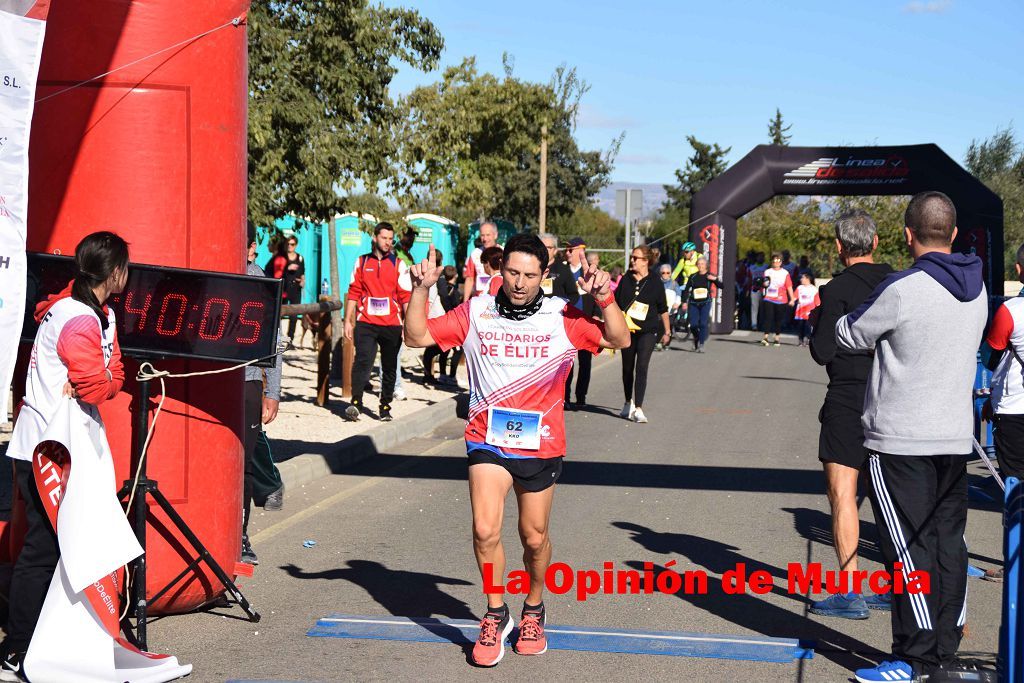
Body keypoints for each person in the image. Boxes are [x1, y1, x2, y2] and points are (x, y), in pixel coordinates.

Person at [404, 235, 629, 667]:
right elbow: (415, 337)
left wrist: (605, 298)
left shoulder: (561, 315)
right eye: (512, 273)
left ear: (544, 275)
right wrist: (421, 289)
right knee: (485, 530)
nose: (520, 283)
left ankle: (534, 607)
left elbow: (618, 340)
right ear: (499, 269)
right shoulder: (476, 312)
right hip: (486, 437)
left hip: (540, 444)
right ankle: (494, 611)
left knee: (534, 538)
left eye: (529, 275)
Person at [836, 192, 987, 683]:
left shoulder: (902, 288)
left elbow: (851, 333)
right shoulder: (979, 288)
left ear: (907, 234)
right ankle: (944, 654)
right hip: (953, 438)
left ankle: (912, 658)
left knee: (907, 551)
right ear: (955, 233)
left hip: (900, 440)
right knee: (949, 547)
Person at [2, 231, 130, 679]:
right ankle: (16, 649)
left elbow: (109, 374)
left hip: (60, 446)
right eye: (126, 268)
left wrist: (105, 379)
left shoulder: (96, 313)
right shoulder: (77, 317)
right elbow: (101, 384)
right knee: (42, 549)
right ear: (114, 273)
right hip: (47, 450)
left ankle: (46, 640)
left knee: (63, 547)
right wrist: (107, 381)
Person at [808, 209, 894, 622]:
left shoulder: (835, 289)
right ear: (876, 243)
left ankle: (849, 591)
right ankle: (901, 587)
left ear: (839, 247)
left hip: (847, 395)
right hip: (895, 396)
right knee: (895, 495)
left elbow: (822, 351)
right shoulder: (899, 281)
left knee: (844, 494)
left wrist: (816, 323)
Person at [244, 224, 284, 564]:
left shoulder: (257, 278)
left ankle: (240, 535)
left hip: (248, 381)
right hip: (210, 380)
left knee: (243, 460)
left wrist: (272, 390)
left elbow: (273, 340)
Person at [343, 221, 409, 422]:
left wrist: (407, 325)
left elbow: (405, 296)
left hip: (392, 324)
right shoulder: (362, 262)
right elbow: (354, 292)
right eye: (384, 238)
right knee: (363, 361)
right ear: (375, 238)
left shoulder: (399, 264)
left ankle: (385, 406)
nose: (388, 242)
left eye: (391, 239)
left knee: (389, 366)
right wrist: (348, 321)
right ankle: (356, 403)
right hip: (366, 322)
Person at [981, 241, 1024, 482]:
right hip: (1011, 406)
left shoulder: (1011, 311)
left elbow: (989, 359)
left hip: (1014, 410)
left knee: (1015, 483)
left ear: (1018, 269)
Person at [616, 245, 670, 423]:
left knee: (642, 368)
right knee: (627, 368)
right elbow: (616, 305)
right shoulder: (626, 279)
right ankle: (627, 402)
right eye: (632, 257)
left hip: (648, 331)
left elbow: (662, 308)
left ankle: (638, 408)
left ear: (646, 261)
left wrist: (667, 330)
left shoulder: (655, 281)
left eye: (635, 258)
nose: (632, 260)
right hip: (627, 331)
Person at [265, 235, 305, 348]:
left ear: (296, 245)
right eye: (288, 244)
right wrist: (287, 268)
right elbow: (278, 273)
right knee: (279, 315)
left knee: (293, 317)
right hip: (283, 290)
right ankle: (278, 339)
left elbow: (302, 273)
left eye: (292, 244)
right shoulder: (282, 257)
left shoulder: (300, 258)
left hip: (295, 289)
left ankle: (289, 341)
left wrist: (302, 281)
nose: (290, 246)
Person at [681, 256, 717, 353]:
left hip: (705, 302)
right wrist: (684, 302)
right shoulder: (693, 276)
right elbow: (686, 290)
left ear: (706, 266)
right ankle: (696, 338)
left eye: (702, 264)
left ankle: (701, 344)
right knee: (693, 325)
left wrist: (715, 279)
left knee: (703, 323)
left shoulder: (709, 276)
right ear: (697, 265)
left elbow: (721, 286)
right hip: (693, 303)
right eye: (699, 264)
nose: (701, 266)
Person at [759, 253, 794, 347]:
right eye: (774, 260)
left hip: (781, 299)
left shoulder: (785, 273)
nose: (776, 262)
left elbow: (789, 286)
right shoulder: (767, 272)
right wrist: (761, 289)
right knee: (768, 318)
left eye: (778, 260)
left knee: (778, 319)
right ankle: (765, 337)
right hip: (769, 297)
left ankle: (777, 338)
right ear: (772, 261)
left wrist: (792, 299)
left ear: (781, 262)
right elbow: (763, 284)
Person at [463, 221, 500, 301]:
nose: (485, 239)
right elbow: (469, 279)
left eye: (488, 235)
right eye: (482, 235)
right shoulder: (475, 253)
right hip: (479, 300)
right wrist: (465, 302)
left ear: (495, 235)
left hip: (499, 300)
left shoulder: (503, 252)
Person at [791, 272, 820, 347]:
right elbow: (795, 297)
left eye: (802, 278)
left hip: (809, 311)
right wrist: (792, 301)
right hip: (800, 311)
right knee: (800, 326)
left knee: (808, 326)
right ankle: (800, 340)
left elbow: (817, 301)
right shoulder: (799, 288)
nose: (801, 279)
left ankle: (807, 339)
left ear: (808, 279)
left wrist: (819, 308)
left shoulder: (814, 289)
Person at [658, 264, 683, 342]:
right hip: (659, 310)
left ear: (671, 273)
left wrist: (677, 303)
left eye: (668, 273)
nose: (665, 274)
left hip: (671, 310)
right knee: (660, 326)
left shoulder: (674, 284)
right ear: (660, 273)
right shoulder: (657, 283)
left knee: (669, 326)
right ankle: (659, 341)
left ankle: (667, 343)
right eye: (663, 272)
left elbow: (679, 294)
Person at [748, 251, 767, 330]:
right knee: (754, 307)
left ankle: (762, 324)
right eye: (759, 257)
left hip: (764, 290)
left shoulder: (766, 267)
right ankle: (754, 324)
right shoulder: (752, 267)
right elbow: (749, 279)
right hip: (754, 289)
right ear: (756, 258)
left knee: (763, 308)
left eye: (762, 257)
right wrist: (748, 290)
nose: (760, 258)